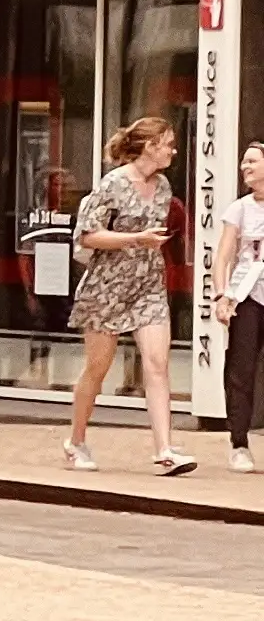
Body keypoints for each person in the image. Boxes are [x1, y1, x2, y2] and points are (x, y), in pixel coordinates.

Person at [62, 113, 191, 476]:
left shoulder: (164, 186)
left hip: (148, 283)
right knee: (98, 369)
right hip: (107, 286)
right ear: (150, 147)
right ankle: (76, 441)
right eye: (167, 144)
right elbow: (86, 235)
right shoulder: (112, 184)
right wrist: (136, 239)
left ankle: (165, 449)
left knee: (157, 364)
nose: (173, 151)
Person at [210, 141, 264, 474]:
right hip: (248, 298)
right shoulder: (240, 209)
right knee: (241, 371)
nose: (245, 167)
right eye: (243, 161)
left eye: (253, 161)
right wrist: (221, 295)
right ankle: (239, 443)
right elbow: (224, 256)